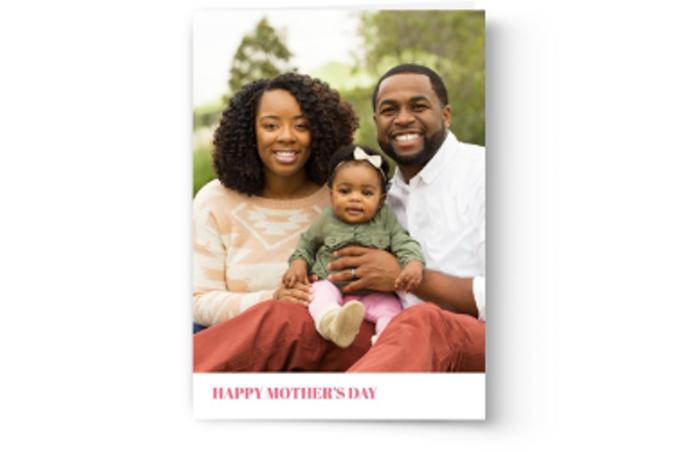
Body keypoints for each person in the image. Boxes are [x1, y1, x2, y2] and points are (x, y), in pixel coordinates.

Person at [194, 63, 485, 372]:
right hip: (385, 338)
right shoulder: (379, 194)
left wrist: (405, 277)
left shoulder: (483, 172)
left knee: (422, 322)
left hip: (466, 336)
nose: (402, 119)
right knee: (285, 319)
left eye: (418, 106)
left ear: (445, 114)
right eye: (389, 110)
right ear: (376, 122)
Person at [192, 73, 378, 371]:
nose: (287, 136)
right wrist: (273, 300)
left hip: (325, 351)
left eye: (301, 125)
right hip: (243, 353)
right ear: (249, 131)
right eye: (270, 125)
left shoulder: (342, 198)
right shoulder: (213, 201)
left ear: (319, 132)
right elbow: (197, 300)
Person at [282, 144, 425, 348]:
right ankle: (333, 323)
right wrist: (298, 264)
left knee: (391, 311)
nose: (355, 198)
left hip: (373, 291)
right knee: (317, 294)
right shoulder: (326, 219)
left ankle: (386, 344)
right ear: (331, 194)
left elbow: (404, 242)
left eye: (366, 193)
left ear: (381, 199)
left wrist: (413, 263)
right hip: (331, 283)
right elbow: (306, 243)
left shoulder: (386, 220)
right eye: (345, 191)